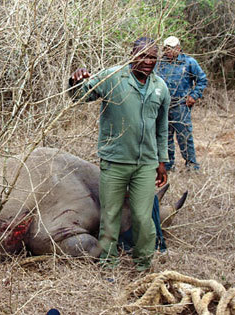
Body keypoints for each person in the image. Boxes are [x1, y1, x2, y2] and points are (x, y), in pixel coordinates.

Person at [69, 37, 170, 271]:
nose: (147, 61)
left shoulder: (160, 87)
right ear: (131, 55)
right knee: (110, 217)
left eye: (152, 57)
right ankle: (108, 263)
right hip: (115, 162)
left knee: (144, 219)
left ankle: (144, 264)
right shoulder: (113, 77)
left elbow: (162, 127)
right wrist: (76, 80)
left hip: (146, 164)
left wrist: (161, 162)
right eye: (142, 56)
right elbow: (80, 96)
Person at [155, 36, 208, 171]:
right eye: (167, 48)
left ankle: (191, 164)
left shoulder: (189, 62)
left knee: (184, 136)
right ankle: (167, 165)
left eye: (173, 48)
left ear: (179, 48)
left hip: (181, 105)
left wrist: (194, 96)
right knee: (164, 136)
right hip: (162, 105)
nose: (170, 51)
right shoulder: (159, 63)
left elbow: (202, 80)